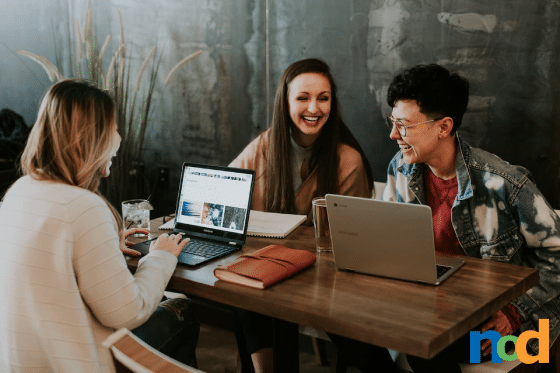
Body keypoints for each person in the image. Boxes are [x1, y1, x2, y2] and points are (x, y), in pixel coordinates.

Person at [333, 64, 560, 372]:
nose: (392, 134)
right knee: (340, 323)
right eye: (392, 122)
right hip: (430, 310)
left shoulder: (504, 183)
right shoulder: (401, 168)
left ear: (443, 127)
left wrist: (514, 313)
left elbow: (556, 256)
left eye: (403, 125)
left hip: (514, 329)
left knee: (428, 344)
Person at [0, 80, 199, 372]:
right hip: (74, 363)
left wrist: (103, 245)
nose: (118, 138)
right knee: (184, 311)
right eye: (113, 129)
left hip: (24, 361)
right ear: (86, 138)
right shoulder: (83, 206)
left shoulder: (19, 191)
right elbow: (127, 313)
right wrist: (161, 256)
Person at [229, 58, 374, 372]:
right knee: (244, 288)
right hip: (268, 268)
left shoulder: (347, 160)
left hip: (324, 279)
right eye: (303, 98)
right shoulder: (266, 145)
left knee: (260, 295)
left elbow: (352, 240)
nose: (314, 108)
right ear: (286, 102)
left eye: (323, 98)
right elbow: (227, 190)